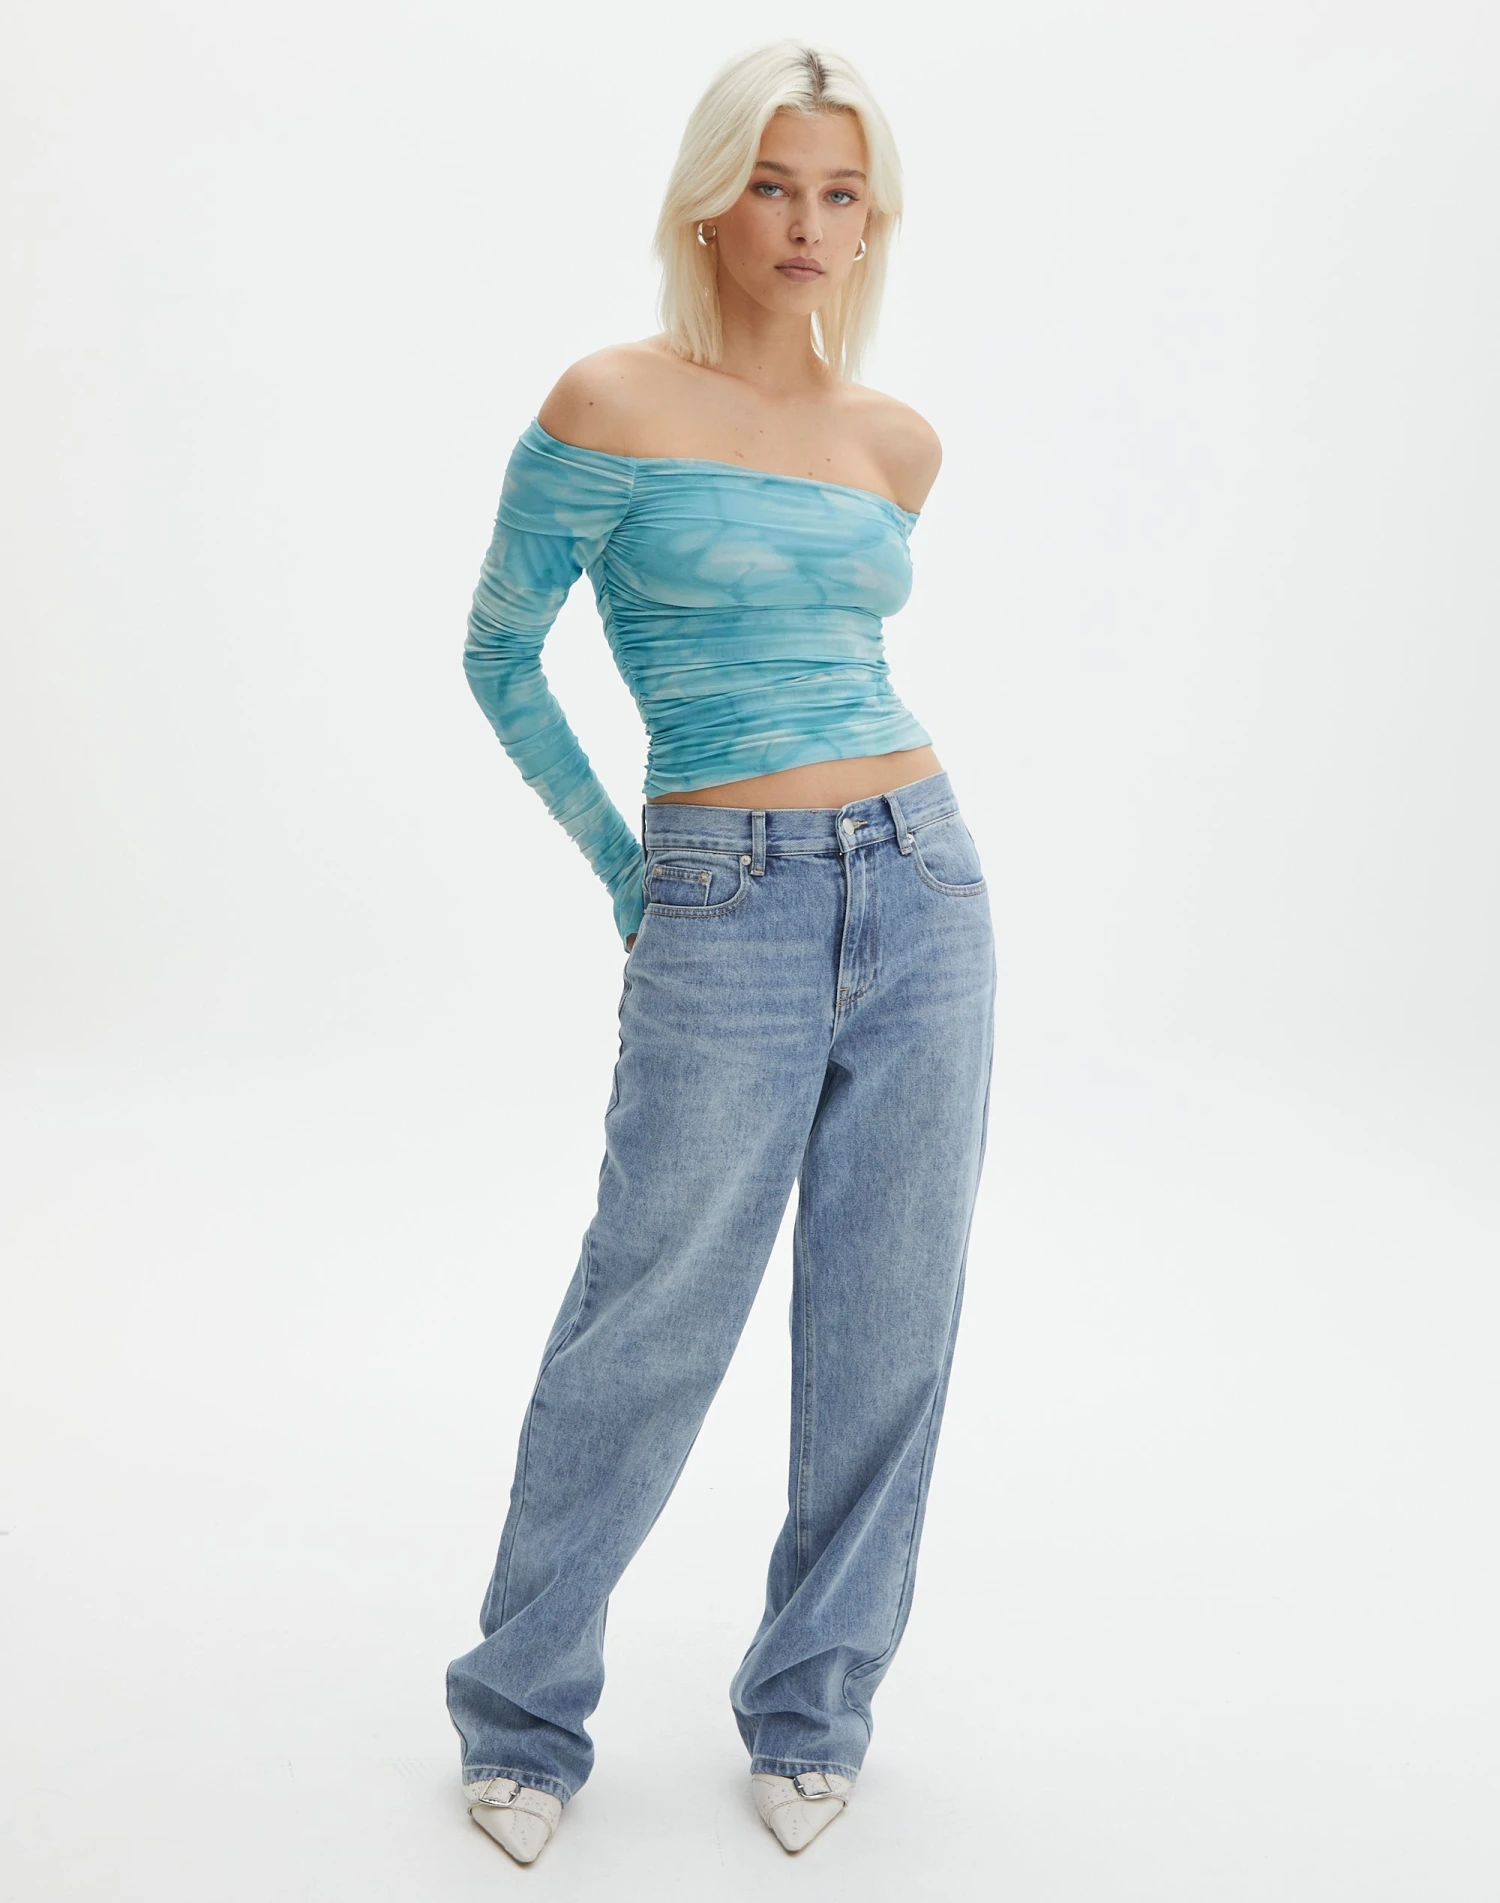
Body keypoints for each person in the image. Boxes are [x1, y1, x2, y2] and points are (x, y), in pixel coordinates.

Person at [444, 39, 996, 1865]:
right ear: (710, 199)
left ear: (873, 220)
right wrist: (633, 870)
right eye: (774, 184)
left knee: (889, 1319)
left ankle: (814, 1705)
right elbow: (497, 653)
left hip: (922, 885)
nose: (808, 223)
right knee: (649, 1311)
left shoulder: (894, 441)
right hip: (721, 895)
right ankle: (523, 1713)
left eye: (842, 193)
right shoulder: (612, 398)